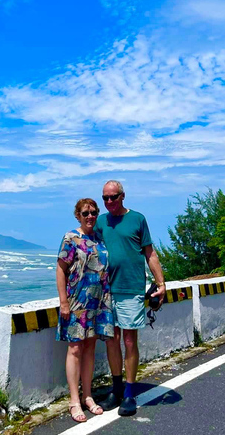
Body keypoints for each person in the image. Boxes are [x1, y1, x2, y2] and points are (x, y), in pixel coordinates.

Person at [95, 180, 165, 416]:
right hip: (106, 290)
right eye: (105, 198)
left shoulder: (137, 219)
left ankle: (129, 393)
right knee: (112, 340)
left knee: (129, 341)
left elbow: (150, 252)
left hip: (130, 289)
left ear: (122, 196)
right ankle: (116, 389)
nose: (108, 202)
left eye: (112, 197)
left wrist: (161, 283)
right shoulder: (101, 222)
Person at [56, 198, 115, 423]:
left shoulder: (99, 240)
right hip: (76, 302)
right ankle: (74, 400)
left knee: (90, 348)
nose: (89, 216)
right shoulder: (71, 238)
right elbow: (61, 270)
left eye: (93, 212)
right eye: (85, 213)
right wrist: (64, 302)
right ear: (77, 215)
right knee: (75, 350)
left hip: (97, 303)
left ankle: (88, 396)